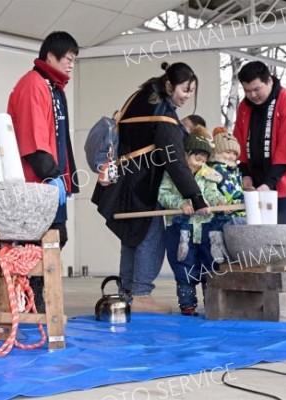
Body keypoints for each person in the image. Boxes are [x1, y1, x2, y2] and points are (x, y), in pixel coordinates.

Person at [91, 62, 211, 314]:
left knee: (131, 236)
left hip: (123, 179)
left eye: (191, 91)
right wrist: (195, 195)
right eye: (184, 90)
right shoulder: (163, 112)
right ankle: (142, 294)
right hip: (143, 184)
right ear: (169, 85)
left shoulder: (139, 97)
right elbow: (175, 158)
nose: (187, 96)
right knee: (149, 236)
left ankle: (127, 290)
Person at [7, 31, 80, 312]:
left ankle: (35, 302)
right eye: (69, 58)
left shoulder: (53, 86)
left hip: (50, 181)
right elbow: (31, 134)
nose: (72, 64)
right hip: (35, 182)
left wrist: (63, 179)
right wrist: (50, 174)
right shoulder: (33, 84)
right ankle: (29, 303)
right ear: (51, 56)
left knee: (54, 238)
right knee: (37, 243)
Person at [233, 61, 286, 224]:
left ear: (269, 81)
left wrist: (269, 184)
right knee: (257, 238)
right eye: (247, 91)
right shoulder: (244, 107)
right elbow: (238, 143)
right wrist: (245, 173)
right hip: (257, 185)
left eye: (256, 89)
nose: (252, 95)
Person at [158, 134, 227, 316]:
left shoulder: (208, 175)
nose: (200, 162)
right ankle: (187, 304)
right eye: (197, 157)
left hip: (205, 229)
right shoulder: (172, 173)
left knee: (209, 264)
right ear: (185, 154)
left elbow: (211, 195)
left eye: (204, 158)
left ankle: (211, 303)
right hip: (181, 229)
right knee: (184, 265)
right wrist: (181, 205)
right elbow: (163, 195)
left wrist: (219, 203)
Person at [207, 126, 246, 225]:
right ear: (217, 152)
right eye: (228, 152)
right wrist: (245, 199)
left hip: (237, 212)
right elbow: (230, 192)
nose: (231, 156)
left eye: (234, 153)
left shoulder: (233, 169)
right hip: (225, 215)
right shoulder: (217, 168)